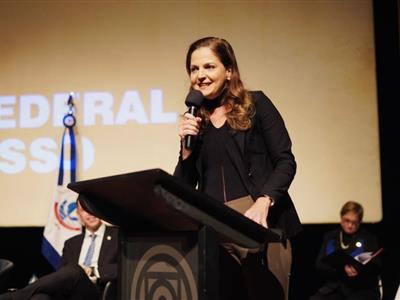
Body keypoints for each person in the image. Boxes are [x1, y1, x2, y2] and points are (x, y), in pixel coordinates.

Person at [174, 36, 302, 300]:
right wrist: (186, 152)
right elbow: (182, 189)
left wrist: (265, 201)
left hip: (258, 222)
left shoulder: (257, 105)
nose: (200, 75)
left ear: (229, 70)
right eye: (194, 69)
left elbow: (285, 161)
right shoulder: (195, 121)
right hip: (213, 228)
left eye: (209, 67)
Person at [0, 199, 118, 300]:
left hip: (97, 292)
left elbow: (123, 269)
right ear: (78, 214)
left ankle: (14, 296)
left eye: (93, 209)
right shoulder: (71, 243)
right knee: (40, 297)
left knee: (74, 269)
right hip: (69, 293)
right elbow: (62, 275)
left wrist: (93, 270)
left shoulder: (118, 236)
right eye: (85, 210)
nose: (90, 214)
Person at [310, 201, 382, 300]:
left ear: (359, 221)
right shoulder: (331, 237)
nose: (350, 225)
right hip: (335, 287)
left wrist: (358, 269)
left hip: (360, 289)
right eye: (346, 220)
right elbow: (320, 265)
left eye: (354, 222)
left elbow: (376, 265)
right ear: (341, 218)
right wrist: (341, 269)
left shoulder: (368, 238)